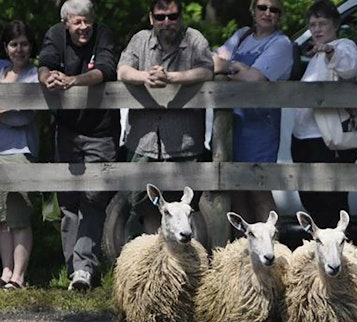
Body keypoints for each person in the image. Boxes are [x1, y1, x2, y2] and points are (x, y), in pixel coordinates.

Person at [38, 0, 120, 291]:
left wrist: (73, 81)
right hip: (67, 130)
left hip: (101, 131)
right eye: (77, 22)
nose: (84, 27)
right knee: (69, 203)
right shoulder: (55, 35)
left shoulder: (104, 34)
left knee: (94, 198)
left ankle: (84, 267)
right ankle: (75, 270)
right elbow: (45, 63)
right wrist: (48, 79)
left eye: (87, 21)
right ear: (66, 24)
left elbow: (106, 70)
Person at [118, 0, 213, 235]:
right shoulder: (140, 39)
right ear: (151, 18)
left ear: (180, 17)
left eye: (172, 16)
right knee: (146, 208)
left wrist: (171, 78)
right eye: (160, 17)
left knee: (185, 210)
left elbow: (207, 69)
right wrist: (145, 77)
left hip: (185, 144)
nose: (166, 22)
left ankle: (184, 257)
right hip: (144, 142)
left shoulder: (194, 39)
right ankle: (155, 253)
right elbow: (122, 70)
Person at [214, 0, 292, 225]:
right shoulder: (242, 35)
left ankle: (271, 242)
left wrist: (227, 66)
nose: (267, 13)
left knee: (259, 190)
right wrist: (235, 68)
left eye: (274, 9)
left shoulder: (281, 43)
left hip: (261, 127)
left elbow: (255, 78)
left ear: (280, 15)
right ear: (253, 10)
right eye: (262, 7)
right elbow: (211, 61)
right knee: (236, 193)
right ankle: (244, 245)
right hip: (233, 124)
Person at [291, 0, 357, 229]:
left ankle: (339, 244)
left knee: (331, 200)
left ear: (335, 24)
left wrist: (330, 51)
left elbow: (350, 68)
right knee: (310, 198)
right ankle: (320, 242)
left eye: (322, 23)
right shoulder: (315, 56)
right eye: (313, 24)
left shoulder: (344, 45)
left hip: (329, 139)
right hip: (304, 137)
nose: (317, 29)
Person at [0, 20, 38, 290]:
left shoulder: (35, 75)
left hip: (21, 150)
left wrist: (5, 111)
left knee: (19, 215)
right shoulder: (0, 69)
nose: (19, 50)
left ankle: (19, 275)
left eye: (24, 44)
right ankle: (6, 270)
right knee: (2, 218)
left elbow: (26, 116)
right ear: (6, 47)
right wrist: (9, 109)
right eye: (14, 44)